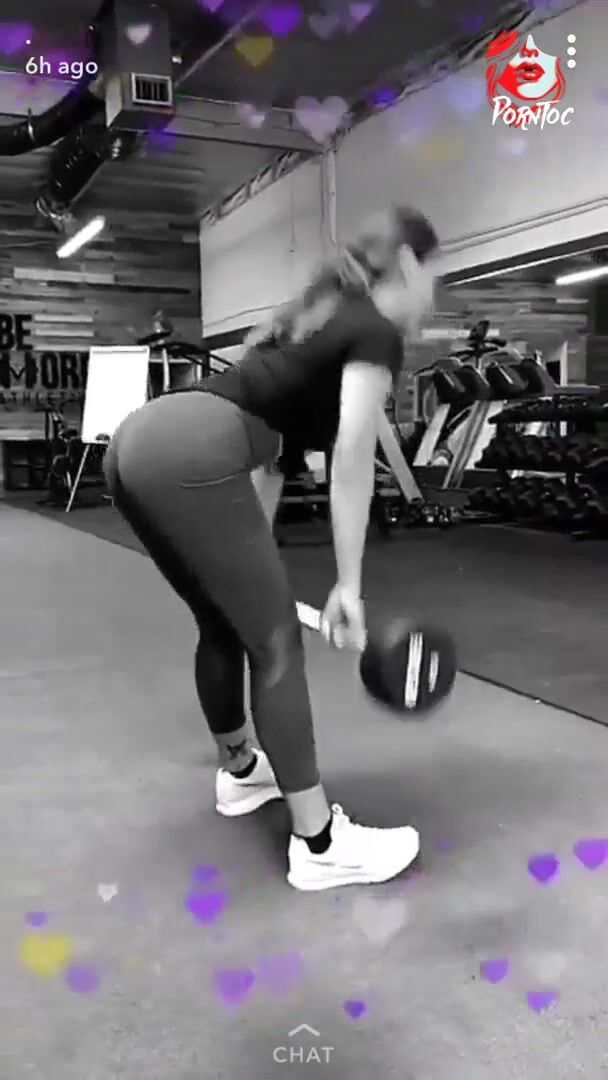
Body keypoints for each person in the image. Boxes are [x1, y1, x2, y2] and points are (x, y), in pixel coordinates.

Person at [104, 204, 439, 892]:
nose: (435, 288)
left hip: (141, 443)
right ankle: (320, 845)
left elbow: (272, 463)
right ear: (409, 263)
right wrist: (349, 586)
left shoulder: (314, 321)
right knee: (277, 641)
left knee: (224, 621)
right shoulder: (374, 330)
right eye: (436, 271)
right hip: (188, 452)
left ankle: (240, 773)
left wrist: (252, 569)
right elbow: (353, 454)